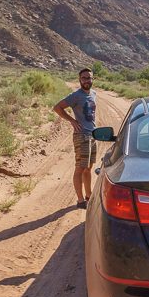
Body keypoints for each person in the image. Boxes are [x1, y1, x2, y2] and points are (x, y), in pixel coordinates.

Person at [53, 67, 97, 208]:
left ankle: (89, 196)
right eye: (84, 78)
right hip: (81, 135)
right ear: (79, 80)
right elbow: (58, 108)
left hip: (92, 134)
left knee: (89, 168)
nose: (87, 80)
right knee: (80, 168)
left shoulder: (93, 94)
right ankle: (80, 200)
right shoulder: (76, 95)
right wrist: (72, 120)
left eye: (89, 78)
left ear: (92, 79)